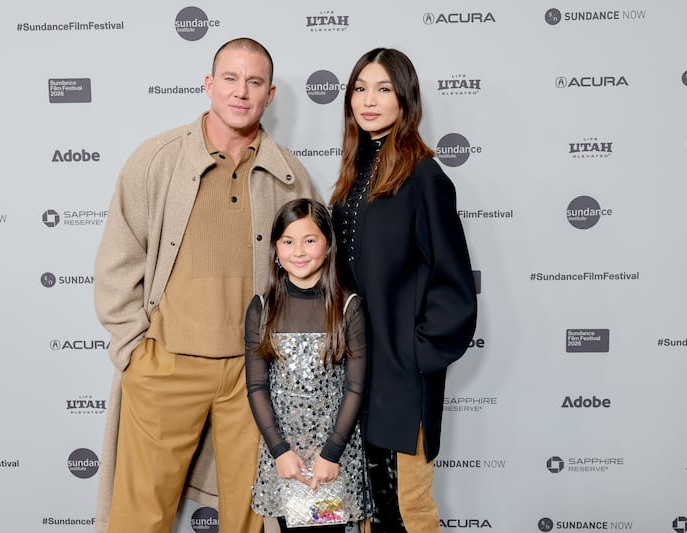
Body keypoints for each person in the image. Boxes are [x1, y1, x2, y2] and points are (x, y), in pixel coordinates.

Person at [93, 37, 321, 533]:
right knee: (138, 515)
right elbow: (117, 262)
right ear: (209, 84)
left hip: (254, 376)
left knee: (252, 514)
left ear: (270, 94)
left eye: (254, 82)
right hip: (167, 364)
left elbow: (313, 277)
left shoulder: (290, 176)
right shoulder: (156, 160)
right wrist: (135, 349)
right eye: (231, 78)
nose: (241, 92)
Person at [329, 48, 478, 532]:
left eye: (383, 89)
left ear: (405, 98)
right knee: (370, 508)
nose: (368, 100)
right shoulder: (351, 178)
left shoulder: (424, 177)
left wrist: (419, 356)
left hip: (400, 373)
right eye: (359, 88)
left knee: (407, 509)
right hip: (354, 373)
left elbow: (453, 284)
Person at [244, 199, 371, 532]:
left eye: (309, 240)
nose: (298, 251)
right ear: (275, 249)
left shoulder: (348, 308)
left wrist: (330, 453)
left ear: (328, 246)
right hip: (285, 456)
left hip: (331, 456)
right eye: (288, 241)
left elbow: (355, 387)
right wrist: (280, 451)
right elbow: (256, 386)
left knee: (325, 529)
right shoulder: (261, 308)